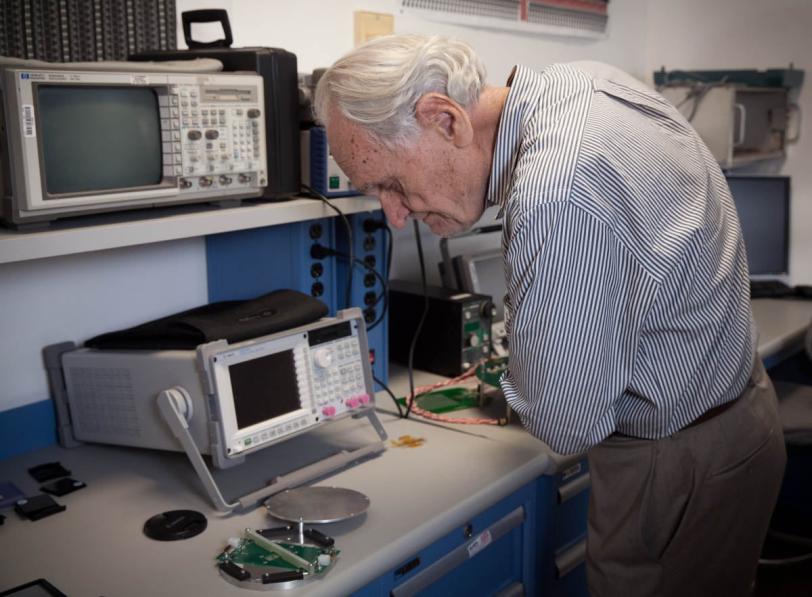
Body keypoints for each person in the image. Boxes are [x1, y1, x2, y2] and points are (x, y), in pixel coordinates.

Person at [315, 34, 786, 596]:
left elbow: (567, 423)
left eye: (390, 184)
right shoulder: (581, 83)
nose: (394, 216)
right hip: (738, 416)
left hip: (680, 464)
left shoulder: (555, 192)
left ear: (445, 119)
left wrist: (519, 374)